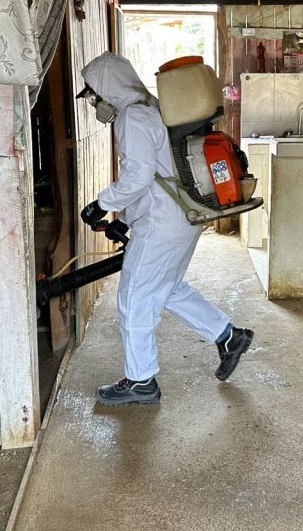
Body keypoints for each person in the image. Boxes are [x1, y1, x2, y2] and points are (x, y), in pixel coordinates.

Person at [78, 52, 254, 407]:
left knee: (134, 299)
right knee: (167, 288)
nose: (96, 102)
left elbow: (138, 177)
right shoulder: (156, 106)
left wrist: (101, 204)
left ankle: (140, 381)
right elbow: (160, 173)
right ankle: (228, 336)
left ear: (109, 87)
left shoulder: (132, 116)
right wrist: (124, 219)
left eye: (95, 95)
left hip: (162, 224)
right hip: (181, 217)